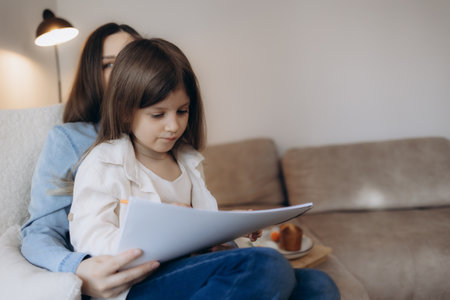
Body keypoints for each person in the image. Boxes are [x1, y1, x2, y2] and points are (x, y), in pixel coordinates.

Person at [21, 25, 339, 300]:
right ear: (124, 107)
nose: (172, 125)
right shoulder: (99, 157)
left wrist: (232, 231)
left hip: (185, 268)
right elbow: (80, 235)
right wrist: (160, 230)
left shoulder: (185, 159)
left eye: (181, 112)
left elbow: (203, 226)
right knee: (267, 267)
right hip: (138, 279)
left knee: (318, 285)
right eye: (158, 115)